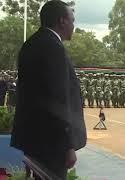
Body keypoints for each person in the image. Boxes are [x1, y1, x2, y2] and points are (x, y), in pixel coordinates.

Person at [10, 1, 87, 179]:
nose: (74, 26)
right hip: (51, 143)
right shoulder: (53, 48)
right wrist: (68, 146)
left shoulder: (31, 44)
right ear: (62, 21)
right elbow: (58, 100)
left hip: (33, 138)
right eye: (72, 20)